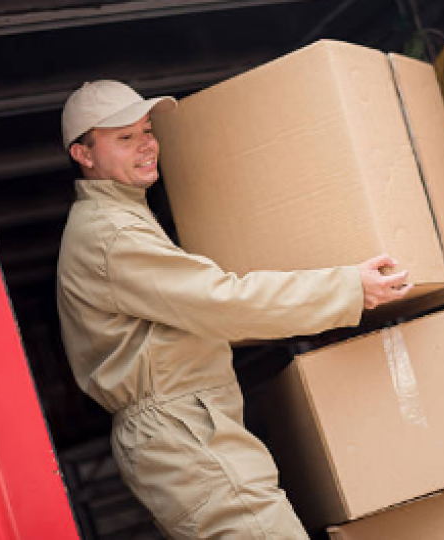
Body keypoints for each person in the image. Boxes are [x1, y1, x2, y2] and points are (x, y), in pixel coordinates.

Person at [56, 80, 412, 540]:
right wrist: (348, 288)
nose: (146, 145)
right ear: (83, 154)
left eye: (146, 130)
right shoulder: (110, 234)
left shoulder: (120, 217)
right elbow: (223, 303)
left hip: (184, 430)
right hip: (181, 433)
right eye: (125, 138)